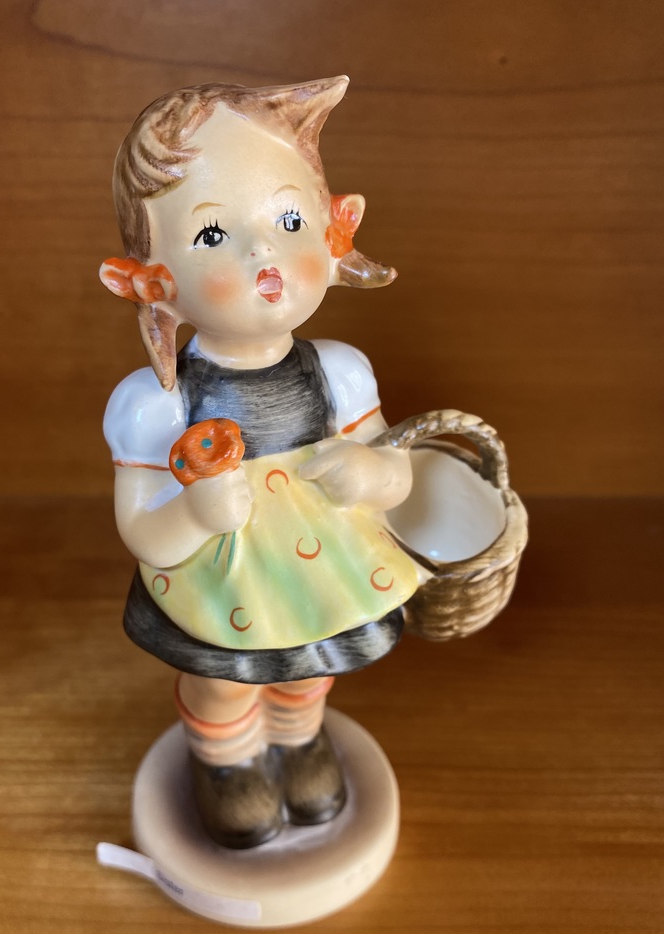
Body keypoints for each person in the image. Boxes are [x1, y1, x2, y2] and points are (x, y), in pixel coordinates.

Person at [101, 77, 426, 849]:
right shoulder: (157, 406)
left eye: (287, 220)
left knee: (311, 668)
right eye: (213, 234)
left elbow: (396, 469)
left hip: (316, 572)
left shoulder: (340, 372)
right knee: (220, 683)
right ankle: (226, 760)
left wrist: (375, 475)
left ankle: (297, 738)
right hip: (220, 582)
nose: (263, 253)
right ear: (154, 281)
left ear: (333, 229)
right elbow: (141, 530)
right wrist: (193, 511)